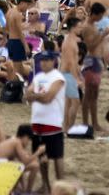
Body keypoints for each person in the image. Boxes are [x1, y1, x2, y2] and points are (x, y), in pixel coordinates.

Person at [26, 51, 66, 193]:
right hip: (37, 121)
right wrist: (39, 96)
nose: (43, 63)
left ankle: (61, 187)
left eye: (47, 60)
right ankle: (45, 185)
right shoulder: (38, 76)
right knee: (41, 156)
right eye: (42, 60)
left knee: (57, 157)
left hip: (53, 121)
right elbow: (27, 94)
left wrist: (35, 96)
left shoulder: (58, 77)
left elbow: (48, 97)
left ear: (53, 61)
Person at [80, 2, 109, 131]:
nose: (101, 18)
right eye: (100, 16)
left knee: (94, 94)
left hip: (95, 60)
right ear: (95, 14)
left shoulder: (92, 25)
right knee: (88, 94)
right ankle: (86, 123)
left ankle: (94, 123)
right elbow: (89, 46)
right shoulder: (87, 27)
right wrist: (102, 34)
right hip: (90, 60)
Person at [0, 124, 44, 193]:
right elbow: (25, 161)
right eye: (29, 139)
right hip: (1, 166)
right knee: (35, 166)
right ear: (25, 136)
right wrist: (38, 152)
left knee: (22, 166)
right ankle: (28, 192)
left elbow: (23, 162)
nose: (28, 142)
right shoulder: (17, 142)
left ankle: (23, 190)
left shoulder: (13, 140)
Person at [60, 17, 83, 131]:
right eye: (79, 26)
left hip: (68, 74)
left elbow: (74, 61)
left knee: (68, 103)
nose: (81, 28)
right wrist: (76, 79)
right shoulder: (69, 42)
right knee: (75, 102)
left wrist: (79, 75)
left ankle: (66, 127)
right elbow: (70, 63)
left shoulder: (72, 40)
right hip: (68, 74)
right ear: (73, 27)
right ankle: (69, 127)